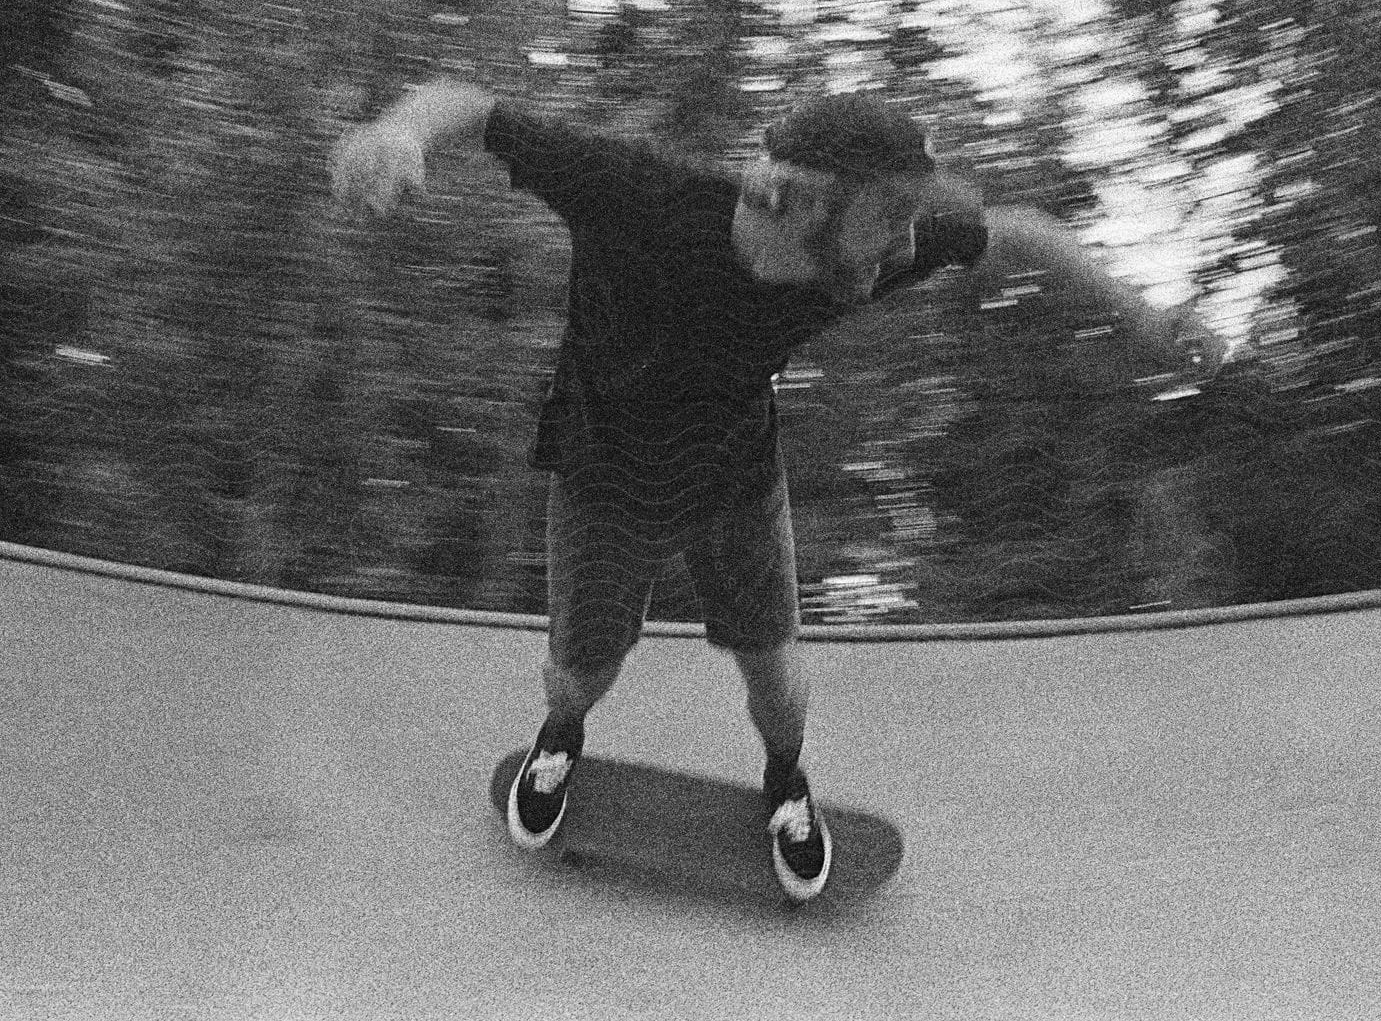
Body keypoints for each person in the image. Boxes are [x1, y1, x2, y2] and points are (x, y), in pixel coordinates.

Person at [331, 78, 1224, 903]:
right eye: (892, 219)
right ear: (794, 199)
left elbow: (1017, 230)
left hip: (736, 479)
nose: (908, 246)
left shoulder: (863, 248)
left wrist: (1147, 315)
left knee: (779, 678)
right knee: (580, 671)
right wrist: (397, 132)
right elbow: (479, 110)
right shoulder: (636, 195)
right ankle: (560, 739)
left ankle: (784, 778)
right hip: (603, 477)